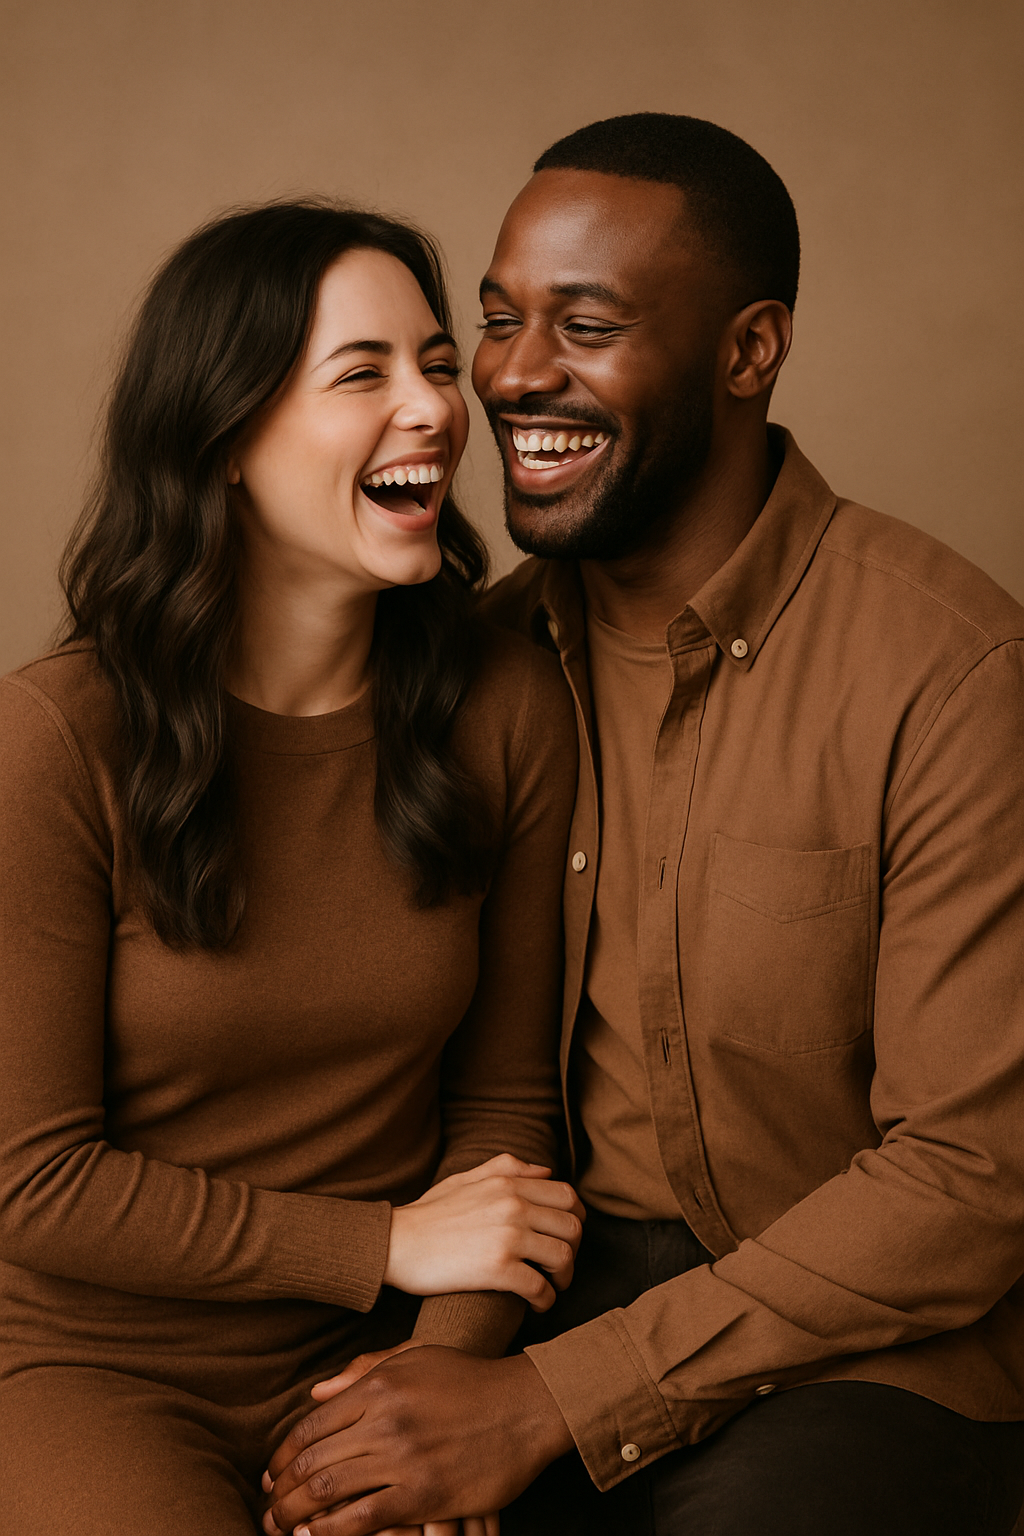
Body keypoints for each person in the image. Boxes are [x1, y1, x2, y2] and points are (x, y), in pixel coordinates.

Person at [263, 115, 1024, 1536]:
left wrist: (555, 1403)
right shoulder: (470, 671)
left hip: (869, 1351)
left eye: (587, 325)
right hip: (536, 1293)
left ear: (749, 353)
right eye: (496, 320)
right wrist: (450, 1382)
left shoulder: (954, 673)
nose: (511, 374)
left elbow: (973, 1180)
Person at [0, 199, 585, 1536]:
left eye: (437, 362)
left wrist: (436, 1384)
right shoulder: (52, 741)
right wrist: (377, 1242)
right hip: (90, 1368)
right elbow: (26, 1183)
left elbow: (502, 1114)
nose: (437, 408)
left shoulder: (503, 708)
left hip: (369, 1359)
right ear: (225, 442)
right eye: (363, 373)